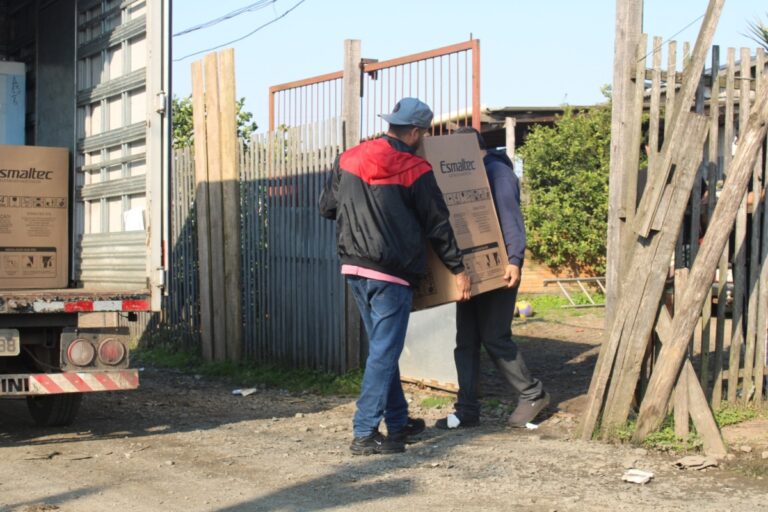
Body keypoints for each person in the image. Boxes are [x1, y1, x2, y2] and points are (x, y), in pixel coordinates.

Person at [319, 98, 472, 455]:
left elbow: (326, 207)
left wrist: (360, 215)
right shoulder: (415, 167)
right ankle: (364, 432)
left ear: (392, 124)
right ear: (416, 132)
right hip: (390, 273)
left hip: (354, 267)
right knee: (384, 353)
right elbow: (438, 225)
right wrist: (459, 269)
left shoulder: (350, 157)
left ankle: (399, 421)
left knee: (382, 352)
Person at [436, 126, 549, 430]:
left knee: (495, 336)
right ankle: (467, 409)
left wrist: (515, 260)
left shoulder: (498, 173)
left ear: (471, 150)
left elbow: (511, 218)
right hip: (469, 270)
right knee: (466, 341)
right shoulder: (465, 176)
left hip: (499, 269)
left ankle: (532, 394)